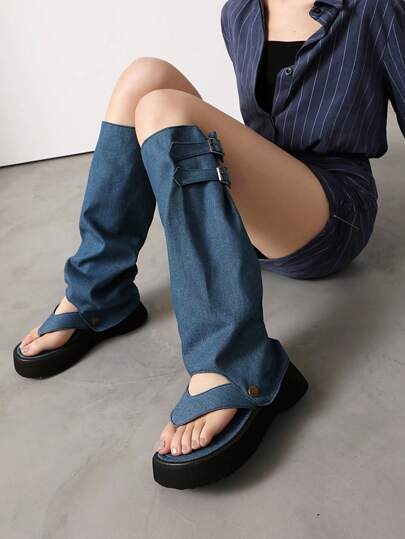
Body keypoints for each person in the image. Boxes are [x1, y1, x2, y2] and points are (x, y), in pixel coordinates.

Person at [13, 0, 404, 489]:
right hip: (256, 199)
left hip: (329, 210)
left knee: (163, 108)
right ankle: (100, 290)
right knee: (145, 76)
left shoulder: (373, 9)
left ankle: (236, 364)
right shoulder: (239, 11)